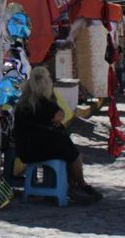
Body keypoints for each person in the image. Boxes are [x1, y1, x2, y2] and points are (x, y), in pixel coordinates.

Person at [13, 66, 102, 204]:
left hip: (24, 150)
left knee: (66, 149)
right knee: (72, 152)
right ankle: (80, 185)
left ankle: (74, 186)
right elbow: (60, 115)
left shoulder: (21, 103)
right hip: (38, 149)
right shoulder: (43, 103)